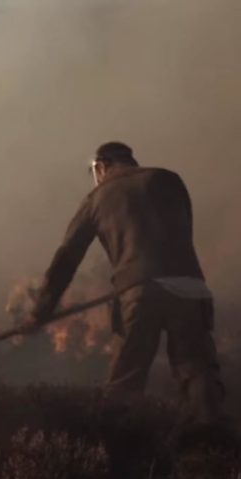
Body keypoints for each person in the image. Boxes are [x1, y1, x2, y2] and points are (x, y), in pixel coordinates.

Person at [27, 142, 224, 430]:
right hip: (191, 288)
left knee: (125, 382)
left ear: (101, 166)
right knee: (199, 377)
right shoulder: (169, 179)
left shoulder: (97, 197)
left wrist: (41, 311)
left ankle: (117, 449)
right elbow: (185, 234)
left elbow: (67, 259)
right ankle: (211, 450)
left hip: (140, 292)